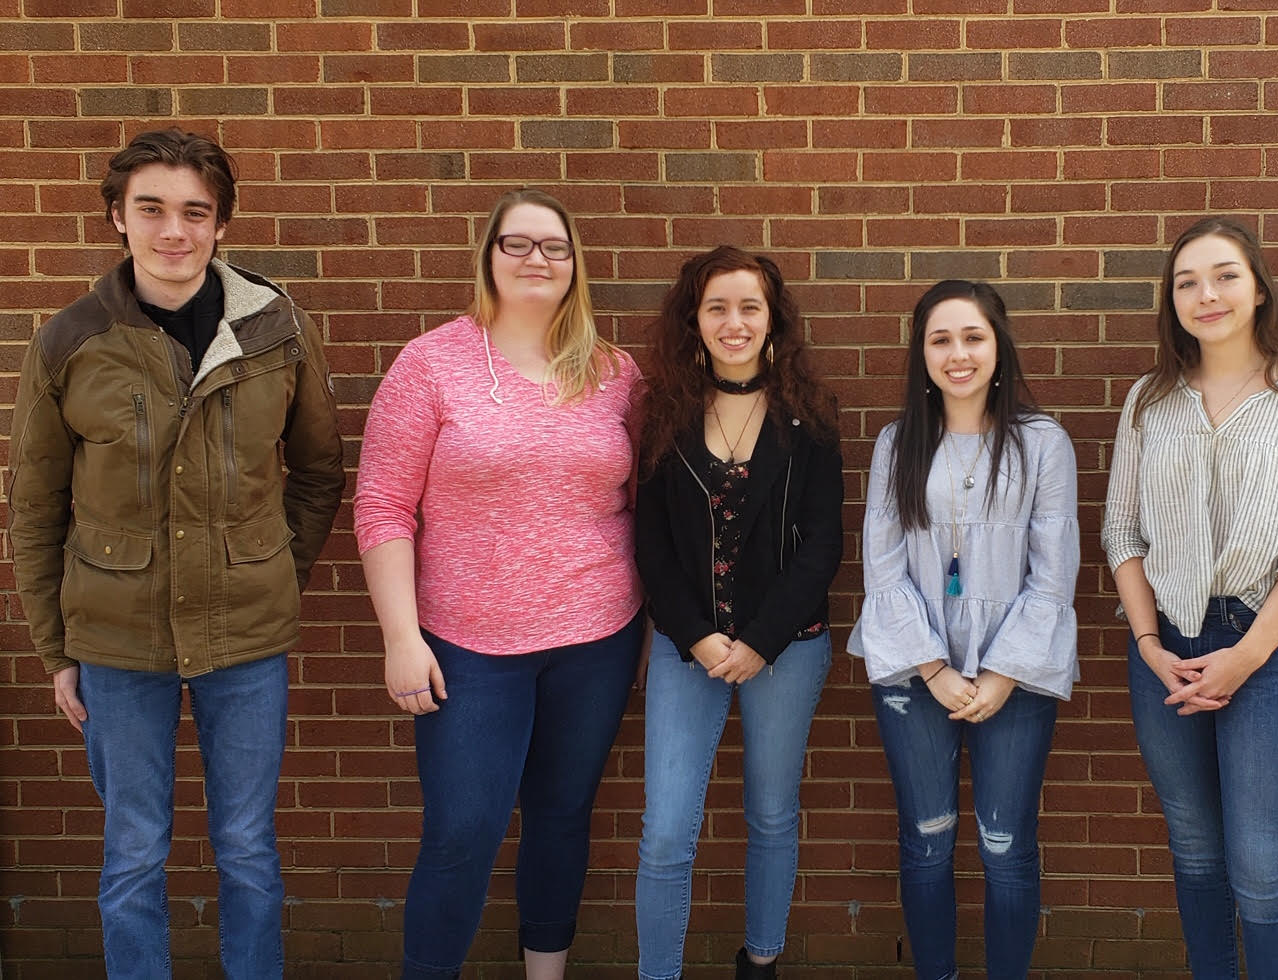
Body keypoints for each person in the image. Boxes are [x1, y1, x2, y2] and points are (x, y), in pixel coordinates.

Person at [7, 127, 345, 979]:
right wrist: (58, 647)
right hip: (118, 642)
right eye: (151, 209)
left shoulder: (276, 327)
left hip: (248, 639)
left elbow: (317, 471)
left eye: (196, 212)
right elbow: (35, 509)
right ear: (118, 217)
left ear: (221, 225)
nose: (174, 232)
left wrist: (268, 569)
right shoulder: (69, 341)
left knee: (247, 850)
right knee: (131, 855)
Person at [354, 188, 645, 980]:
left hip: (597, 637)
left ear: (575, 265)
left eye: (553, 246)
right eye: (516, 244)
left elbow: (646, 495)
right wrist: (402, 639)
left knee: (560, 818)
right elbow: (382, 504)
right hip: (467, 645)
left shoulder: (616, 374)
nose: (535, 260)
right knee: (462, 831)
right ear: (488, 257)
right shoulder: (432, 364)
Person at [1102, 217, 1278, 979]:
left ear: (1258, 287)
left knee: (1260, 868)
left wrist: (1244, 657)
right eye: (1187, 281)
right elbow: (1121, 531)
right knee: (1196, 855)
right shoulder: (1149, 400)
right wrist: (1149, 647)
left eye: (1224, 275)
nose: (1206, 294)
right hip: (1165, 648)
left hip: (1268, 649)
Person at [847, 279, 1079, 980]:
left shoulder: (1042, 444)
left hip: (1019, 670)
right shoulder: (898, 444)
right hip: (916, 669)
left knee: (1006, 845)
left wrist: (1003, 671)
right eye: (940, 339)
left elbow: (1055, 571)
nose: (958, 354)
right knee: (927, 841)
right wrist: (934, 669)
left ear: (999, 346)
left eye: (972, 337)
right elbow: (881, 567)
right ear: (921, 353)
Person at [633, 245, 844, 980]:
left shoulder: (810, 415)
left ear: (771, 317)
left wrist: (757, 640)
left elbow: (824, 543)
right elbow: (650, 542)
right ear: (694, 319)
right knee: (665, 834)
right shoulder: (662, 412)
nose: (734, 321)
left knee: (771, 816)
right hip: (684, 648)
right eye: (717, 306)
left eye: (749, 306)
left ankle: (760, 962)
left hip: (786, 650)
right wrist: (697, 635)